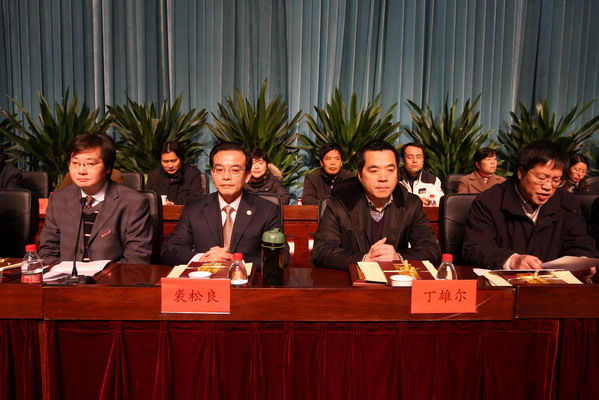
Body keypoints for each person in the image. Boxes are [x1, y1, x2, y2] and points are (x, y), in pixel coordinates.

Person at [462, 140, 598, 270]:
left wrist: (583, 261)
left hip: (552, 282)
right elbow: (476, 247)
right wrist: (512, 260)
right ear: (521, 172)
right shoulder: (489, 201)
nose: (548, 186)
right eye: (541, 178)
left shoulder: (567, 202)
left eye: (556, 180)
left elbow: (579, 242)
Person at [312, 140, 440, 270]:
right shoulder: (339, 203)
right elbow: (321, 252)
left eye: (390, 170)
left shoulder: (411, 203)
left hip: (395, 278)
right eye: (374, 171)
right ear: (360, 176)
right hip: (351, 280)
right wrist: (365, 259)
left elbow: (431, 250)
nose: (383, 178)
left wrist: (398, 258)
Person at [161, 142, 288, 268]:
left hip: (245, 279)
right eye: (219, 170)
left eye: (235, 170)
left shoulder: (267, 210)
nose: (226, 176)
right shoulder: (193, 209)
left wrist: (233, 259)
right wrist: (201, 258)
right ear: (212, 173)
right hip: (206, 277)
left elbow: (281, 255)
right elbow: (170, 250)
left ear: (247, 176)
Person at [39, 133, 153, 264]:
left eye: (90, 164)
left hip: (112, 276)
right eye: (75, 163)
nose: (81, 171)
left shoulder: (133, 203)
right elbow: (47, 251)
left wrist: (101, 275)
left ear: (108, 167)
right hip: (66, 276)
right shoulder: (58, 200)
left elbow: (137, 258)